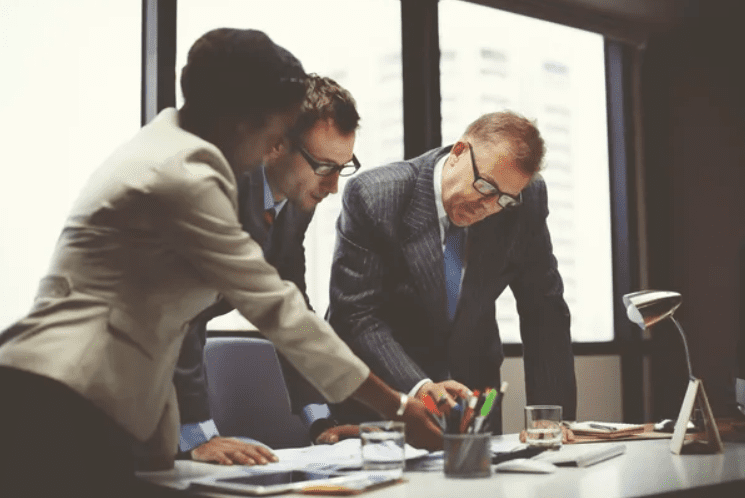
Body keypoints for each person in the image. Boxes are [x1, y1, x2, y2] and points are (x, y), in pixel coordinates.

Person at [0, 28, 439, 498]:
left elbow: (167, 318)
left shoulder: (177, 148)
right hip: (60, 395)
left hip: (100, 401)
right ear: (241, 122)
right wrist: (395, 407)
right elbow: (275, 307)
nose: (274, 148)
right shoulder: (185, 174)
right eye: (274, 133)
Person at [327, 110, 577, 434]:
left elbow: (544, 309)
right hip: (390, 398)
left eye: (504, 200)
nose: (488, 207)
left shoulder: (525, 201)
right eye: (485, 186)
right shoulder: (376, 196)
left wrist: (551, 416)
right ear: (459, 153)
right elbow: (356, 316)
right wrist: (420, 386)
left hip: (474, 400)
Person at [174, 74, 362, 466]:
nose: (333, 188)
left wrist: (321, 422)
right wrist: (197, 434)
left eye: (342, 168)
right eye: (324, 167)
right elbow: (178, 313)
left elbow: (289, 310)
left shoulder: (293, 204)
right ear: (276, 144)